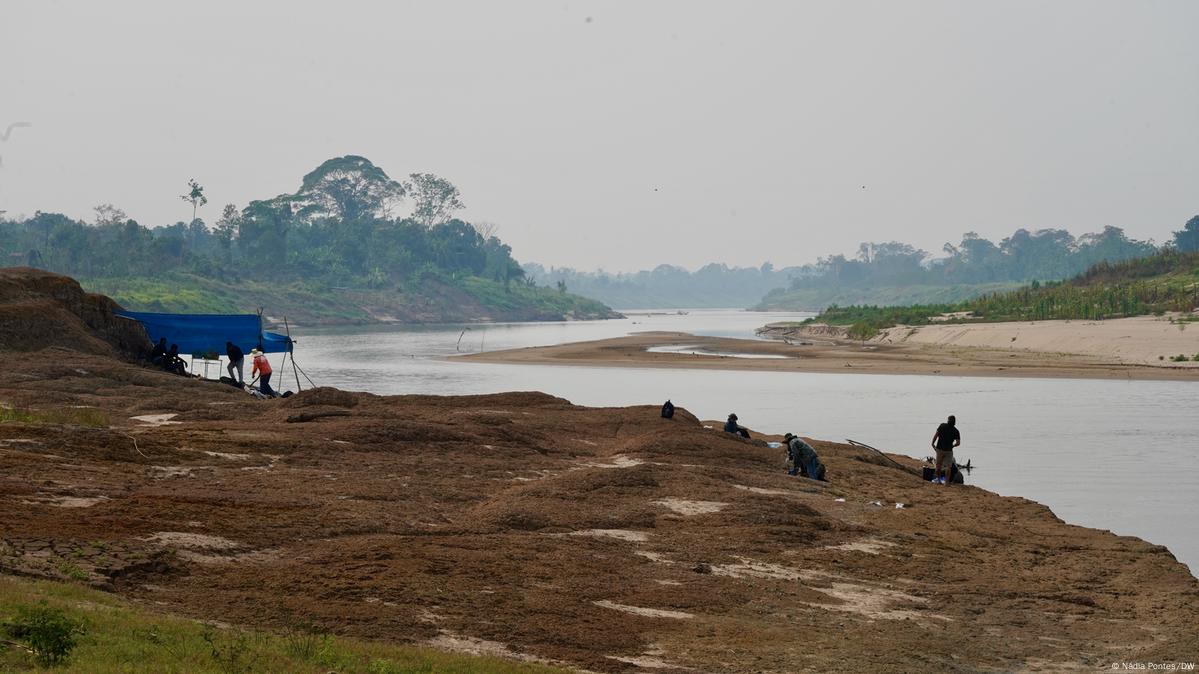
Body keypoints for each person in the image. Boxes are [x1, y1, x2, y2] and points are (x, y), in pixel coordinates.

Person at [931, 414, 961, 486]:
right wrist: (953, 446)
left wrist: (932, 443)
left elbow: (936, 435)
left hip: (939, 449)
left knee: (938, 465)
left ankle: (938, 481)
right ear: (954, 422)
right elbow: (958, 443)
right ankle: (946, 482)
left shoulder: (942, 426)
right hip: (949, 450)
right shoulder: (956, 431)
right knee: (948, 467)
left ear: (948, 420)